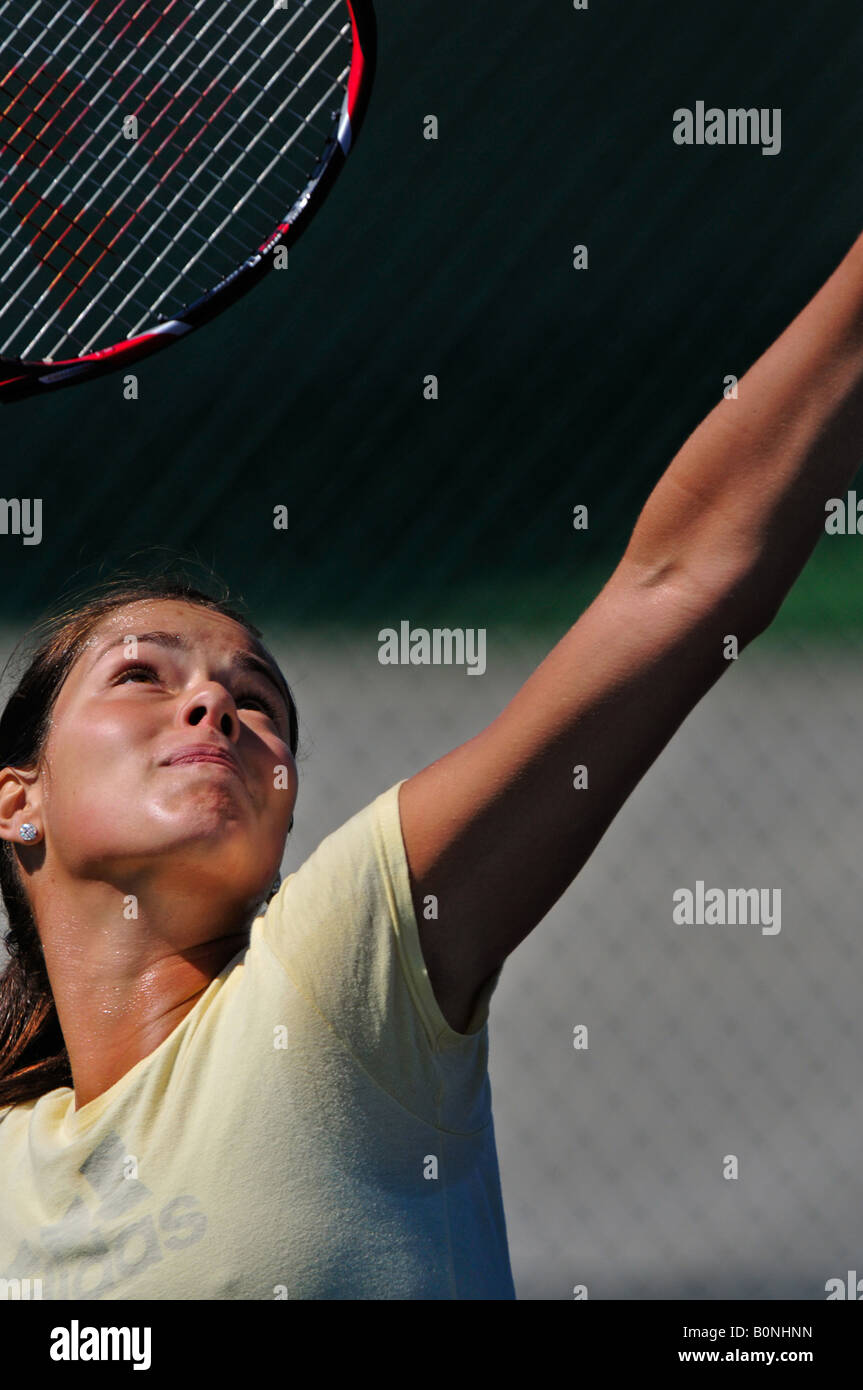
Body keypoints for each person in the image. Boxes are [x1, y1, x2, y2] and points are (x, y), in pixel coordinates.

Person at [4, 226, 863, 1299]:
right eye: (142, 675)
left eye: (261, 702)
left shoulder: (330, 976)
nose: (215, 700)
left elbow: (681, 583)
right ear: (16, 799)